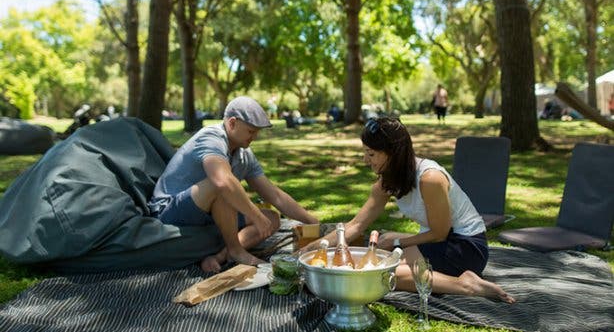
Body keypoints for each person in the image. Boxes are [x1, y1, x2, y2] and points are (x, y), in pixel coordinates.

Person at [301, 117, 515, 303]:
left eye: (371, 154)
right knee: (378, 259)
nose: (366, 160)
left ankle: (466, 285)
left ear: (393, 153)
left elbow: (440, 233)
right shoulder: (388, 181)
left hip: (465, 247)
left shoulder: (430, 178)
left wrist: (398, 242)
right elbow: (356, 225)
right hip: (440, 241)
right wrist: (315, 246)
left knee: (381, 275)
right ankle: (445, 277)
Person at [148, 96, 319, 272]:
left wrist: (312, 222)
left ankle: (222, 256)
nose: (255, 136)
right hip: (169, 212)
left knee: (272, 218)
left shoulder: (244, 153)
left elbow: (274, 195)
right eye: (251, 131)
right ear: (232, 123)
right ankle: (237, 250)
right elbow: (222, 181)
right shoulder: (211, 138)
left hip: (205, 212)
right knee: (222, 185)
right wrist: (256, 217)